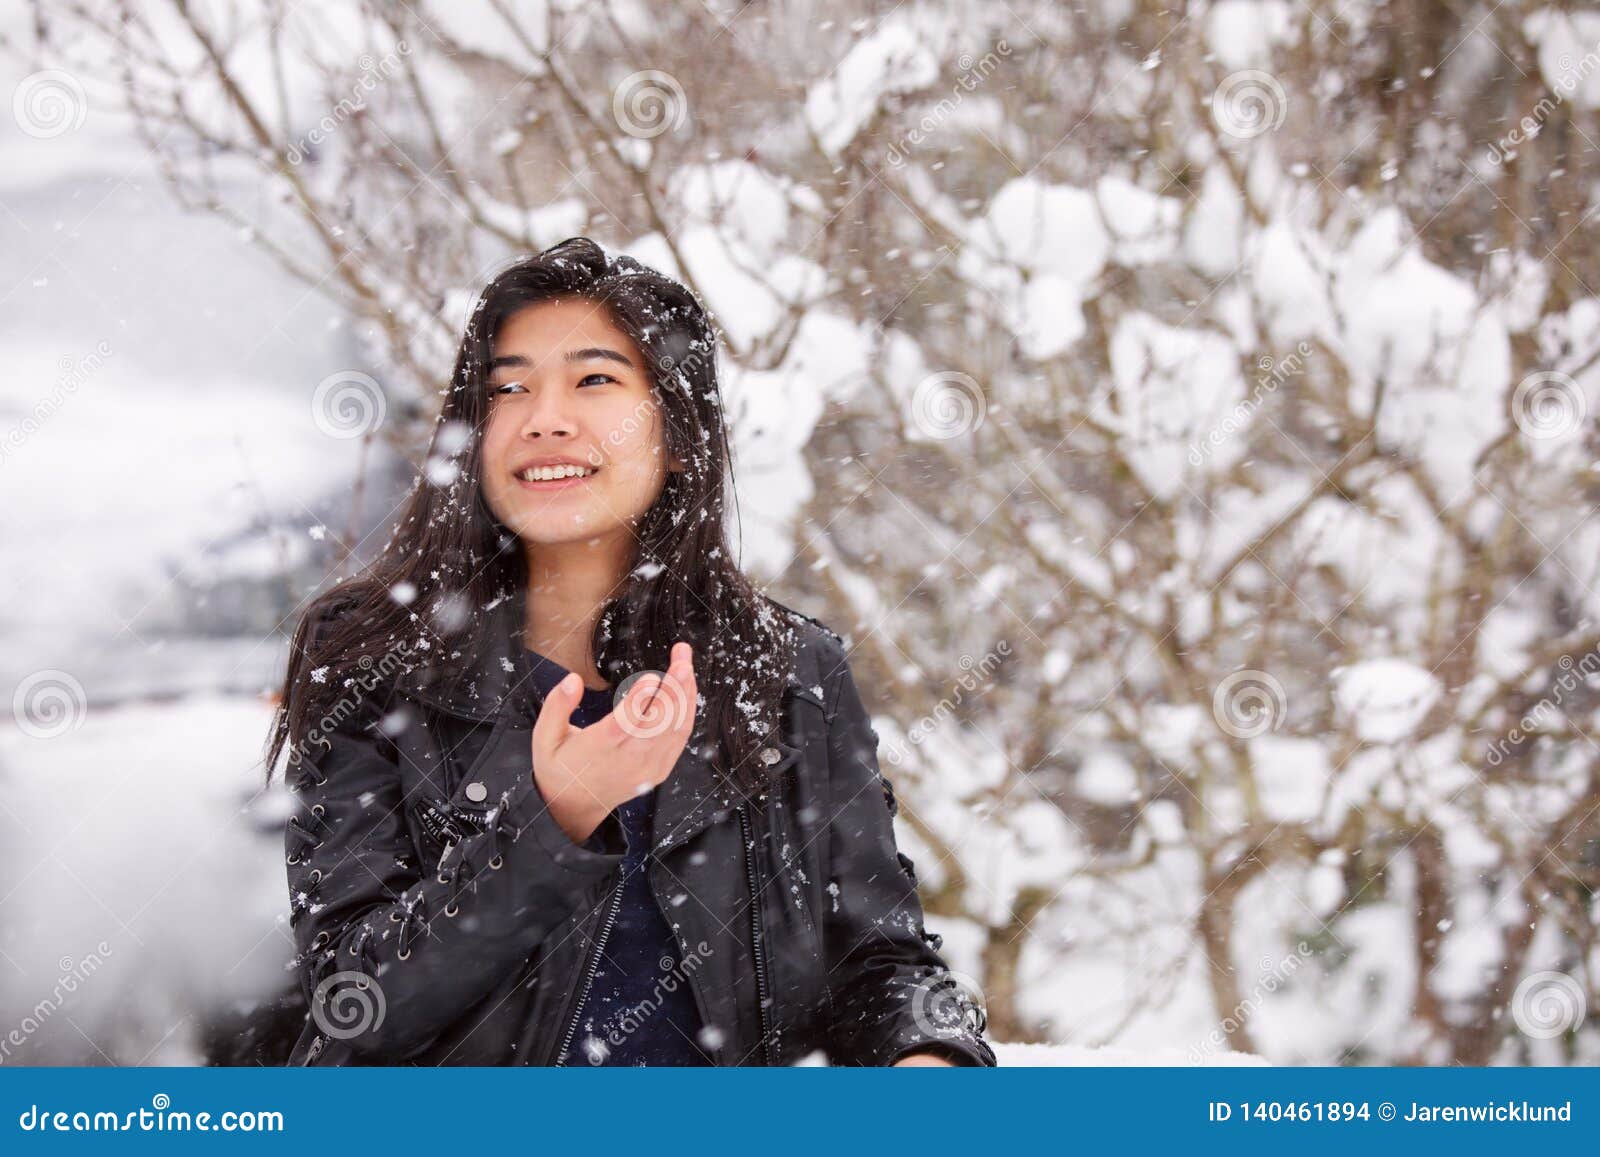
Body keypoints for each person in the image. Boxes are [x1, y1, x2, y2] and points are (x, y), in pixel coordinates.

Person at [266, 236, 996, 1067]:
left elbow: (884, 962)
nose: (544, 417)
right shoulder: (372, 661)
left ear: (679, 430)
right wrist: (558, 816)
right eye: (509, 387)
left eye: (594, 379)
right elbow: (351, 1006)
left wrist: (927, 1055)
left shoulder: (791, 672)